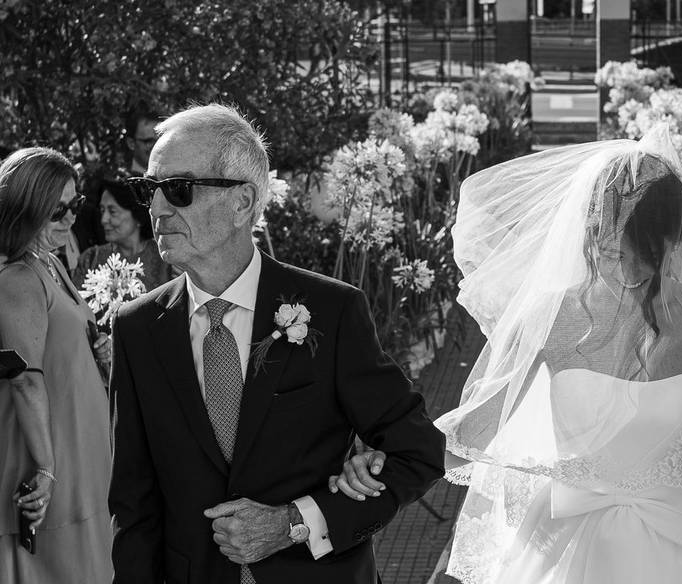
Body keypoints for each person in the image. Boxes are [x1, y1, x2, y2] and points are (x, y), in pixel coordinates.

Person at [333, 126, 682, 583]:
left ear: (676, 240)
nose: (627, 271)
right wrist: (387, 460)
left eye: (646, 255)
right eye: (610, 251)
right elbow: (476, 430)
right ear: (588, 234)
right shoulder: (551, 316)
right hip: (569, 543)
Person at [109, 103, 446, 584]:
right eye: (149, 190)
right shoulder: (138, 327)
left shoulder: (332, 310)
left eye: (177, 190)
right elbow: (133, 506)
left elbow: (419, 451)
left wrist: (296, 521)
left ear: (243, 202)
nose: (157, 208)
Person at [0, 147, 113, 583]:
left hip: (83, 459)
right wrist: (46, 469)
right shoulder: (18, 279)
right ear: (26, 211)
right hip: (53, 468)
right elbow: (25, 381)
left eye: (75, 205)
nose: (70, 219)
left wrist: (98, 348)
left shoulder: (50, 263)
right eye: (57, 211)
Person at [72, 176, 174, 292]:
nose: (104, 220)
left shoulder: (166, 257)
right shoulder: (91, 259)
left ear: (137, 216)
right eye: (102, 210)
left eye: (112, 212)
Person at [125, 105, 161, 175]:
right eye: (148, 141)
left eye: (160, 141)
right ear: (131, 143)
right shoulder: (119, 181)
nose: (156, 147)